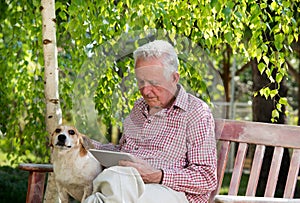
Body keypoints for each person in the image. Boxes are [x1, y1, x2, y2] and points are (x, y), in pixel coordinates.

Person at [86, 40, 217, 203]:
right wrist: (86, 144)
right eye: (141, 82)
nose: (146, 91)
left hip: (170, 192)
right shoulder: (139, 107)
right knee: (110, 189)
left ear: (174, 78)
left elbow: (206, 177)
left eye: (154, 83)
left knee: (109, 189)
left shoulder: (196, 112)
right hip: (127, 185)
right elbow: (123, 150)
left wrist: (158, 176)